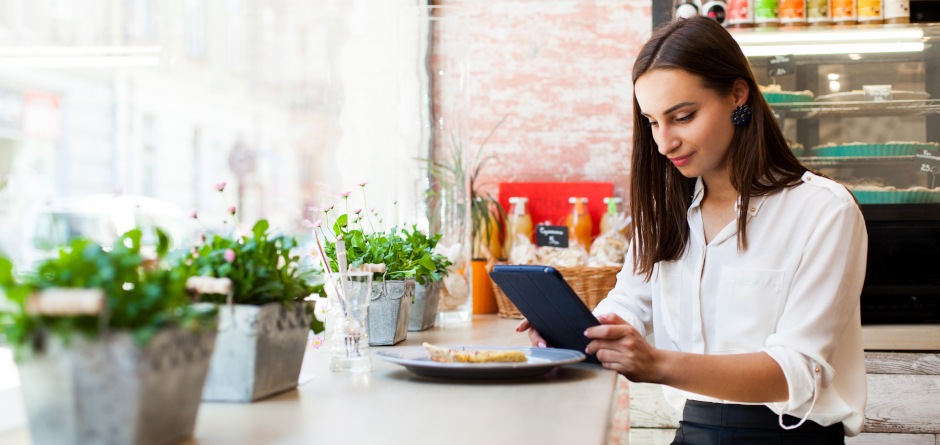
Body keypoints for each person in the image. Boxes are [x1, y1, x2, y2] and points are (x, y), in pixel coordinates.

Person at [517, 16, 867, 444]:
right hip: (691, 431)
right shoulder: (666, 209)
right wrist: (578, 330)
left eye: (682, 116)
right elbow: (631, 302)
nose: (664, 143)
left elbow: (794, 372)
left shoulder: (822, 210)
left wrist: (657, 363)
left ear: (738, 94)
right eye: (652, 122)